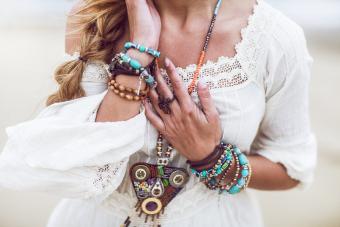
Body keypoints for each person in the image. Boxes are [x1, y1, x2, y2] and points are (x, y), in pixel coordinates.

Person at [0, 0, 317, 226]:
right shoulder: (92, 18)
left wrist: (212, 158)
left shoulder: (275, 40)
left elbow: (292, 168)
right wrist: (136, 55)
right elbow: (84, 161)